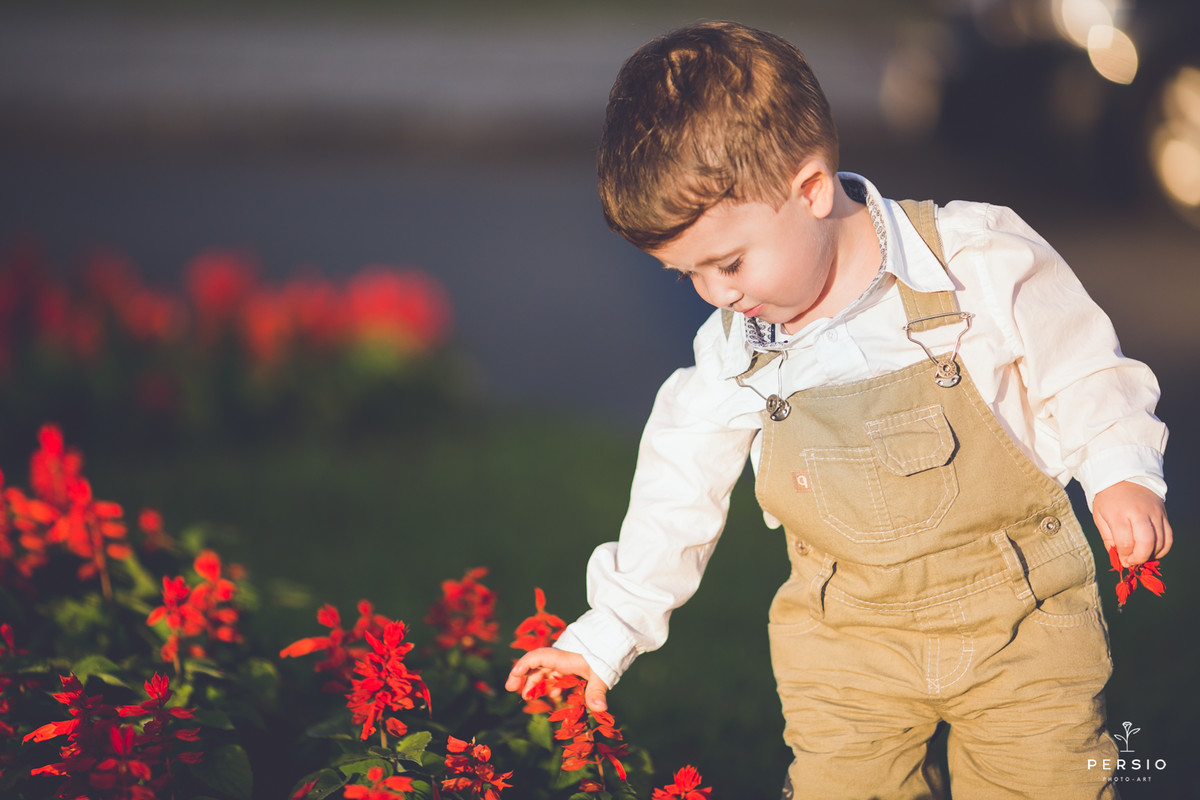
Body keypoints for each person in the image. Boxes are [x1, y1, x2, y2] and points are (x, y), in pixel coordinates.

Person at [505, 20, 1172, 799]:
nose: (719, 295)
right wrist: (604, 636)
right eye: (685, 275)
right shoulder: (737, 350)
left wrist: (1120, 469)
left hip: (1018, 625)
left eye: (727, 263)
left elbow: (1084, 366)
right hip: (845, 644)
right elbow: (674, 490)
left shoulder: (975, 260)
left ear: (812, 190)